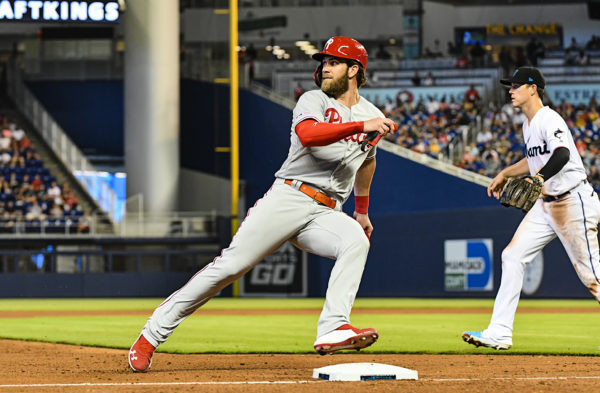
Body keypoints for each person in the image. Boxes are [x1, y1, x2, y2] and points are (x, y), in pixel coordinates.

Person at [128, 36, 398, 372]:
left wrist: (362, 210)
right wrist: (361, 126)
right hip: (289, 197)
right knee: (229, 268)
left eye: (333, 61)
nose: (324, 67)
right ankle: (150, 335)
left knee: (356, 240)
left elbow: (367, 160)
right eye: (323, 61)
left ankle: (333, 327)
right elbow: (309, 136)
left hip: (328, 210)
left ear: (354, 69)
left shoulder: (372, 113)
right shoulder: (312, 100)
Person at [462, 66, 600, 350]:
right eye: (510, 86)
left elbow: (561, 153)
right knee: (512, 256)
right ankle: (499, 332)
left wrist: (538, 178)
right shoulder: (528, 124)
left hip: (573, 201)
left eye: (515, 86)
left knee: (592, 276)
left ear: (532, 87)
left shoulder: (548, 118)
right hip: (546, 205)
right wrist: (505, 173)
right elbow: (532, 160)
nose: (510, 91)